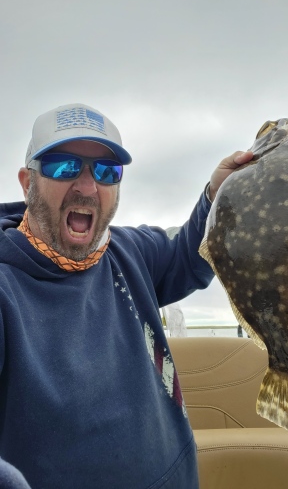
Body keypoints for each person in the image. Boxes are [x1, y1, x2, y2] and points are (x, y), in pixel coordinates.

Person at [0, 103, 253, 489]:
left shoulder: (129, 251)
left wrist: (216, 194)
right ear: (26, 182)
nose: (87, 187)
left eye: (106, 171)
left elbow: (191, 253)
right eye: (64, 166)